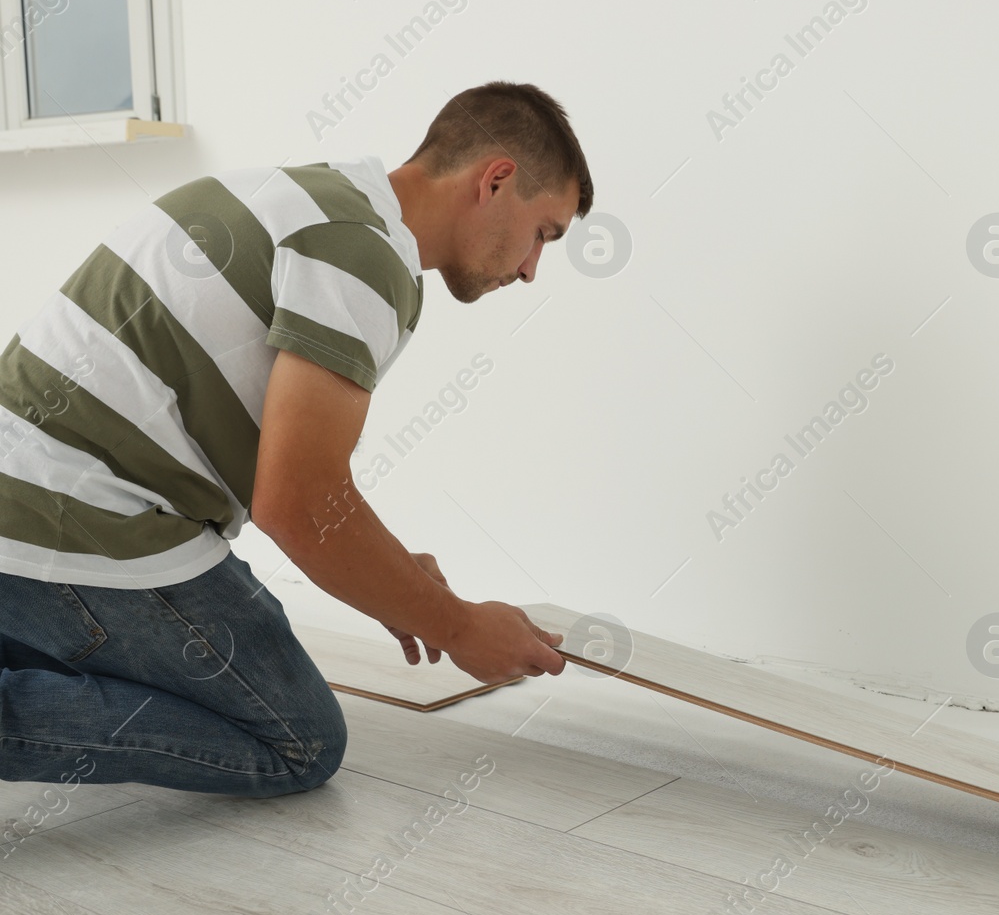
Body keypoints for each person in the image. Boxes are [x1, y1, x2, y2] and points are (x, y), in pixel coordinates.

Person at [0, 80, 591, 798]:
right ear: (496, 179)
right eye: (544, 233)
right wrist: (460, 626)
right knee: (298, 739)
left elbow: (294, 478)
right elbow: (298, 502)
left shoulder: (308, 200)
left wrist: (395, 579)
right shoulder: (365, 258)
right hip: (71, 522)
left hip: (30, 494)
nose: (531, 268)